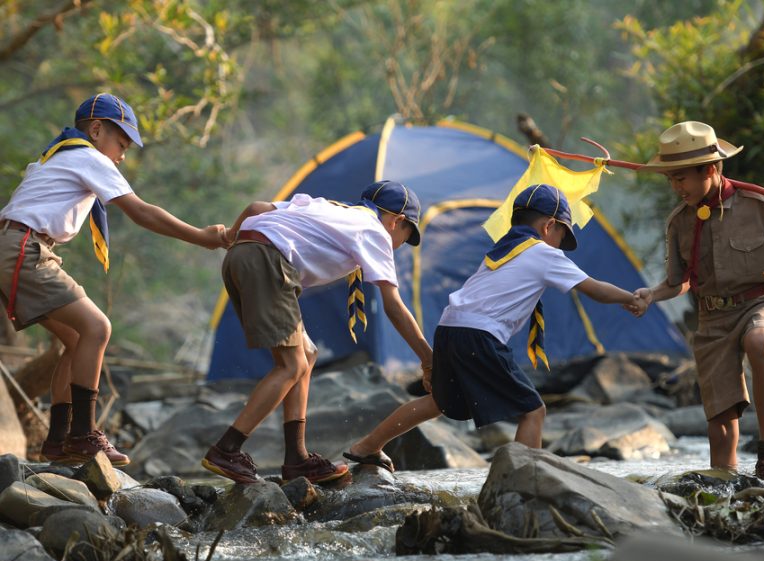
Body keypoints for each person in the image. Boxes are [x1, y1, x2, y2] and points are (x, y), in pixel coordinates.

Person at [0, 93, 227, 467]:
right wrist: (202, 236)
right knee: (98, 328)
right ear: (96, 129)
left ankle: (58, 441)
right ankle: (85, 435)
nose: (122, 155)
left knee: (76, 340)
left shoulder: (61, 154)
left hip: (18, 245)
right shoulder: (86, 154)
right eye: (121, 143)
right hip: (25, 247)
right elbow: (142, 213)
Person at [344, 184, 637, 472]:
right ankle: (522, 483)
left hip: (450, 328)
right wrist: (633, 297)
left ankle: (367, 447)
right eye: (563, 234)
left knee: (437, 402)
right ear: (549, 226)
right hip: (479, 335)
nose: (561, 244)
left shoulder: (502, 251)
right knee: (533, 410)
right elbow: (594, 289)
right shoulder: (543, 254)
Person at [202, 180, 433, 484]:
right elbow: (393, 306)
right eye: (406, 236)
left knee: (306, 355)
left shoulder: (331, 207)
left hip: (241, 256)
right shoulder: (376, 231)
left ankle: (296, 459)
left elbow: (257, 208)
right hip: (268, 261)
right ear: (397, 222)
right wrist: (429, 360)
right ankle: (227, 449)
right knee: (291, 365)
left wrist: (232, 236)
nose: (401, 243)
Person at [631, 120, 764, 484]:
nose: (676, 188)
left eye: (682, 179)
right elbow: (679, 282)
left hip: (759, 305)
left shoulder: (758, 204)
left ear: (709, 169)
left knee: (760, 341)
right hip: (712, 322)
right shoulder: (679, 222)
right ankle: (726, 486)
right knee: (720, 425)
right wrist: (652, 295)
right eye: (671, 180)